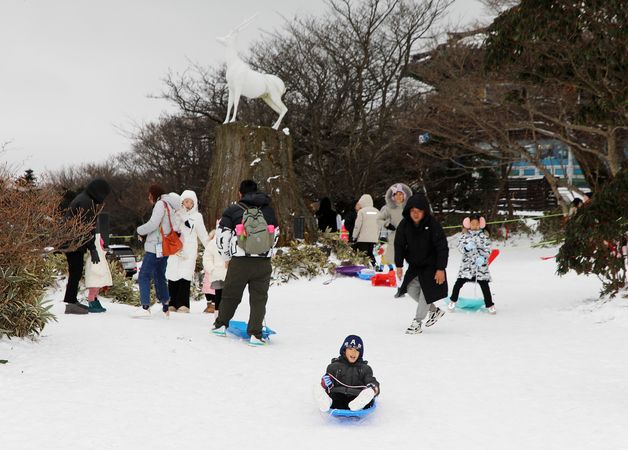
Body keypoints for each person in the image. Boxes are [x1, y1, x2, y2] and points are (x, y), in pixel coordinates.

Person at [211, 180, 279, 346]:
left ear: (240, 194)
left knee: (231, 294)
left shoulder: (233, 210)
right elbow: (275, 236)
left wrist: (227, 258)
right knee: (259, 298)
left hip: (240, 261)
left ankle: (221, 325)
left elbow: (222, 237)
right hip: (263, 262)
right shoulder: (268, 210)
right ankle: (256, 334)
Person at [394, 194, 449, 334]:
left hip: (432, 265)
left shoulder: (433, 224)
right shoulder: (404, 225)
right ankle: (434, 311)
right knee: (411, 290)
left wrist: (440, 268)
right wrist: (399, 265)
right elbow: (399, 245)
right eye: (413, 211)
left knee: (426, 292)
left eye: (419, 210)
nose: (416, 214)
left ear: (424, 211)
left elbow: (442, 247)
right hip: (414, 266)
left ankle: (417, 322)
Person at [62, 177, 111, 315]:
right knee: (75, 271)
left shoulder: (84, 199)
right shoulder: (86, 202)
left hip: (72, 241)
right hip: (74, 243)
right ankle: (71, 303)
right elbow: (86, 228)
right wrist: (93, 248)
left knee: (75, 271)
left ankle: (71, 300)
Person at [135, 185, 179, 318]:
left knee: (144, 274)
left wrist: (139, 230)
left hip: (155, 246)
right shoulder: (170, 204)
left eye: (149, 194)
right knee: (159, 275)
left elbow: (153, 223)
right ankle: (165, 307)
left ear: (154, 194)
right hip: (164, 246)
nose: (148, 197)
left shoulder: (160, 204)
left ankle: (145, 307)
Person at [166, 190, 209, 313]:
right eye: (185, 201)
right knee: (172, 275)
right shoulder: (176, 214)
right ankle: (172, 303)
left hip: (189, 251)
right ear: (182, 202)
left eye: (190, 202)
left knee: (184, 276)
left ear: (194, 203)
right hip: (175, 250)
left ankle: (183, 304)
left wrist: (211, 247)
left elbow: (202, 233)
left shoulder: (197, 216)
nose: (188, 204)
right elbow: (171, 229)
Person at [314, 335, 380, 412]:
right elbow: (328, 381)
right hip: (337, 399)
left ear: (360, 353)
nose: (353, 352)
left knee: (369, 391)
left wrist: (373, 387)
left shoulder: (365, 369)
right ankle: (326, 402)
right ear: (344, 350)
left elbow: (371, 380)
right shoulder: (333, 367)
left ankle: (361, 402)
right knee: (317, 387)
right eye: (350, 349)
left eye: (357, 350)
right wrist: (325, 383)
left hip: (356, 398)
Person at [448, 214, 495, 314]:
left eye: (477, 224)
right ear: (468, 224)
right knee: (458, 284)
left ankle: (490, 305)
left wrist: (483, 258)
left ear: (481, 224)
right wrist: (466, 247)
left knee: (485, 286)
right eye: (472, 224)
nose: (475, 226)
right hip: (467, 268)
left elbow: (488, 249)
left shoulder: (484, 236)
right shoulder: (465, 236)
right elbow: (460, 247)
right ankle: (452, 301)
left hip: (480, 269)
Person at [377, 183, 412, 270]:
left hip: (409, 237)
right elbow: (379, 219)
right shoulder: (389, 208)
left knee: (411, 258)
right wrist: (387, 225)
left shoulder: (410, 208)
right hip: (395, 238)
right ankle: (394, 275)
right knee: (395, 260)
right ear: (393, 197)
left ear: (405, 195)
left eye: (400, 194)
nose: (398, 197)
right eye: (396, 194)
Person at [83, 232, 111, 313]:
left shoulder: (100, 243)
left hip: (99, 267)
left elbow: (102, 248)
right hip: (94, 268)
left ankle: (95, 301)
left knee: (97, 288)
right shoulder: (93, 245)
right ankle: (91, 303)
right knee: (93, 288)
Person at [202, 228, 228, 316]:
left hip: (229, 274)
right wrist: (212, 270)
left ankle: (224, 316)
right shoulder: (213, 243)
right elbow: (207, 258)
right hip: (217, 274)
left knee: (227, 297)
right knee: (219, 295)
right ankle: (218, 317)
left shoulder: (232, 240)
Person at [352, 194, 380, 267]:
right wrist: (377, 236)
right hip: (373, 237)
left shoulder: (361, 212)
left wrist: (354, 236)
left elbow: (357, 226)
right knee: (370, 253)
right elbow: (379, 225)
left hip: (363, 237)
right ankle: (375, 265)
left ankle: (365, 266)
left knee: (363, 253)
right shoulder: (377, 211)